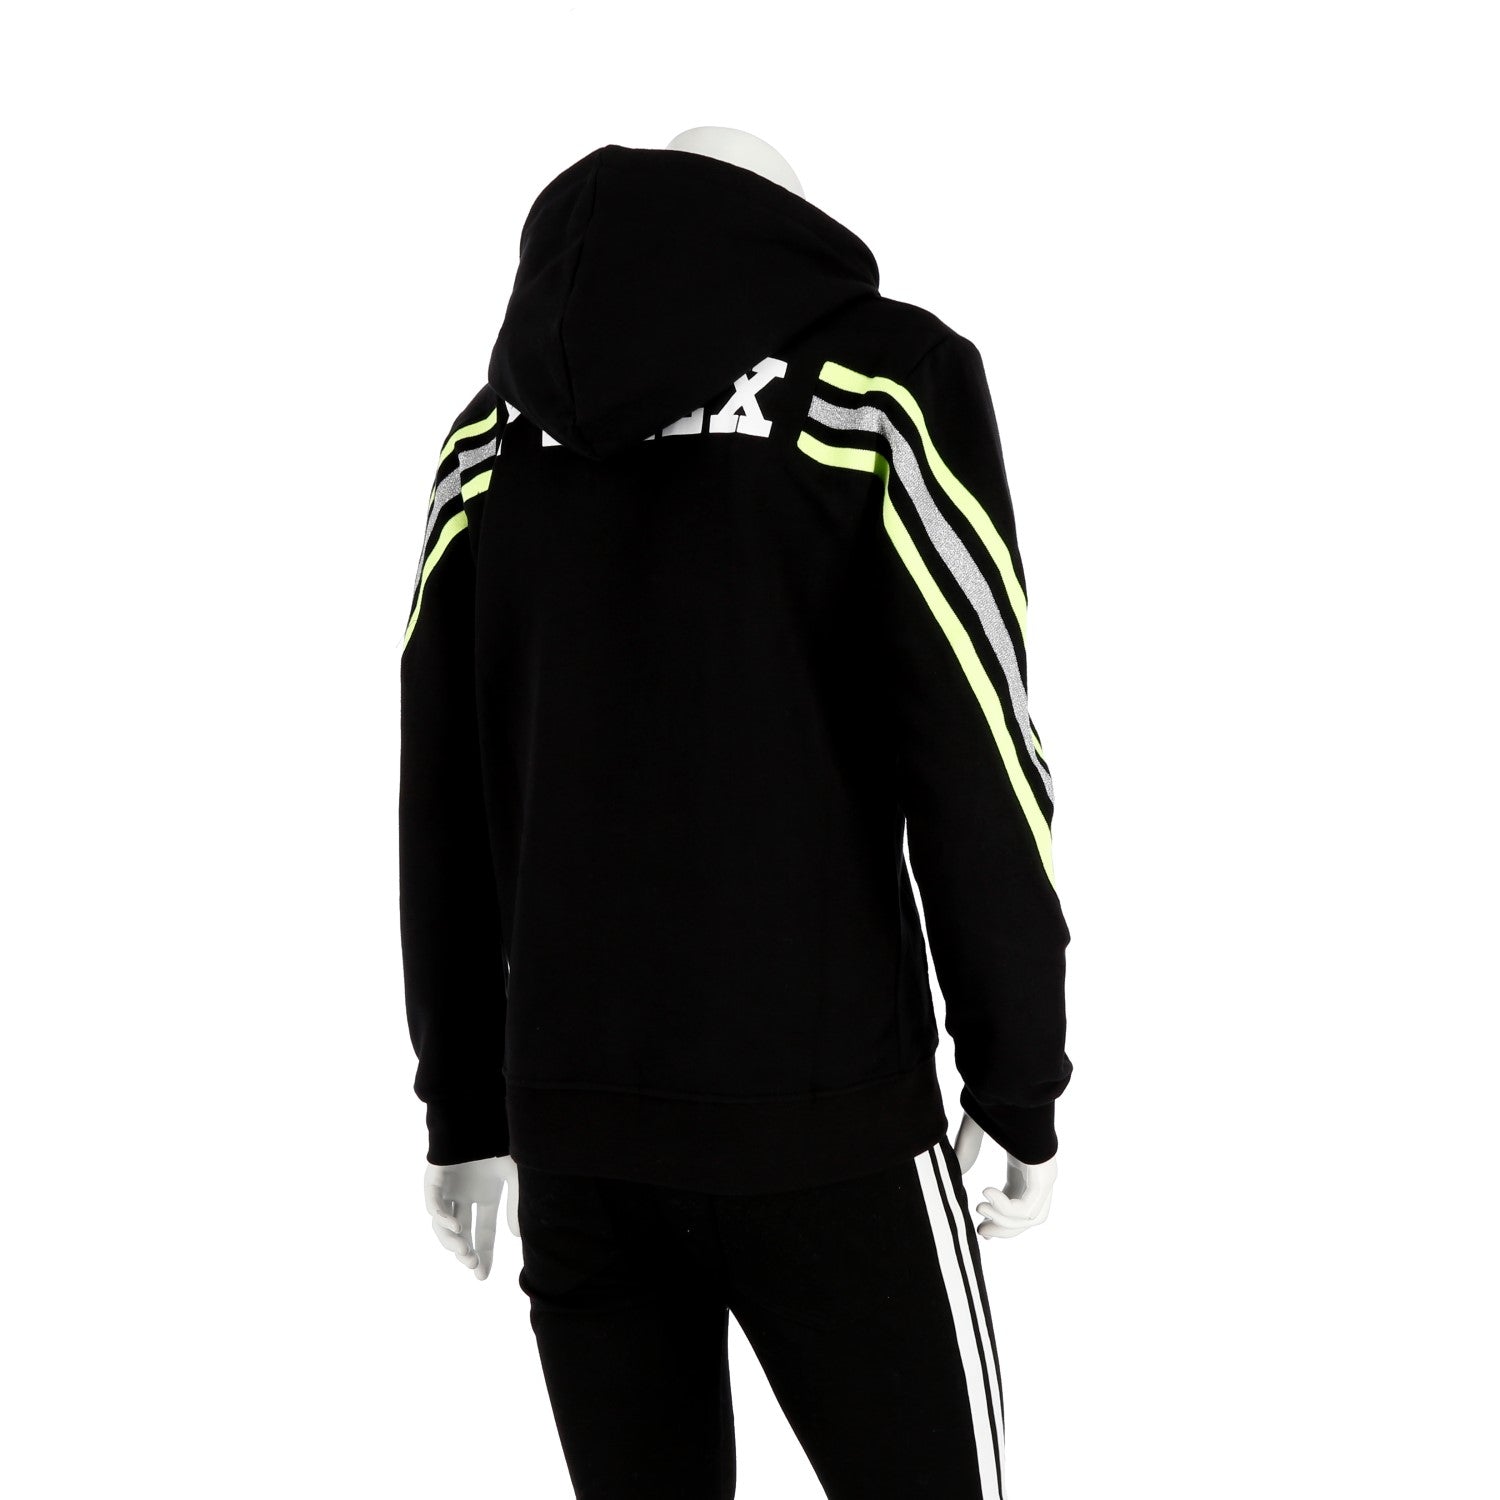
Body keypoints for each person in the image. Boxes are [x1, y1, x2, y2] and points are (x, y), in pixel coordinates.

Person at [399, 127, 1073, 1498]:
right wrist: (1019, 1078)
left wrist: (465, 1104)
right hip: (829, 1122)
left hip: (576, 1129)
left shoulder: (490, 437)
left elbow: (441, 790)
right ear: (780, 225)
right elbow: (975, 750)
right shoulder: (883, 388)